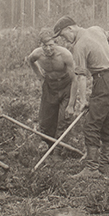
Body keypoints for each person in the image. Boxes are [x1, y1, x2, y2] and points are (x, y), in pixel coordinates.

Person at [53, 16, 109, 178]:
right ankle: (104, 166)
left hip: (103, 81)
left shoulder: (79, 46)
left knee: (91, 125)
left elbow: (81, 77)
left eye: (64, 36)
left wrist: (83, 101)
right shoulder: (96, 29)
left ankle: (91, 168)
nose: (66, 41)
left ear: (70, 29)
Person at [27, 28, 76, 156]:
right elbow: (30, 61)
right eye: (45, 46)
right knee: (45, 120)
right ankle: (49, 147)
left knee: (63, 119)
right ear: (40, 45)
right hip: (50, 86)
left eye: (51, 45)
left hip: (66, 85)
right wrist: (40, 77)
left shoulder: (65, 55)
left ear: (56, 43)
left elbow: (75, 79)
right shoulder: (37, 54)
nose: (48, 49)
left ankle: (58, 152)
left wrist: (71, 104)